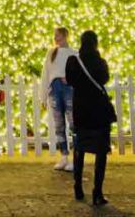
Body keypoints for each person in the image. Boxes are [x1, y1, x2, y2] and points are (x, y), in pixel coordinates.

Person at [65, 30, 114, 206]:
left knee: (79, 149)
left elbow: (70, 80)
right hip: (98, 111)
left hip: (81, 110)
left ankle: (78, 187)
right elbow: (105, 79)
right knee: (101, 152)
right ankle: (97, 192)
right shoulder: (100, 62)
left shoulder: (73, 61)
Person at [39, 27, 78, 171]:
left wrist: (70, 79)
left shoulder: (74, 53)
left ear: (65, 36)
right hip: (54, 89)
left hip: (69, 89)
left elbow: (78, 73)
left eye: (59, 36)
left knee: (73, 123)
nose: (56, 38)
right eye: (55, 36)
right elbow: (45, 74)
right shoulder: (51, 53)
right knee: (59, 125)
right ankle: (64, 156)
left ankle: (75, 158)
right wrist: (43, 95)